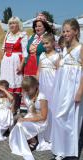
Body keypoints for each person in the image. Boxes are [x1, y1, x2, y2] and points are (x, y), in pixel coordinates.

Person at [51, 18, 83, 160]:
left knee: (71, 119)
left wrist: (80, 91)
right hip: (63, 88)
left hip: (73, 88)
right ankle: (62, 149)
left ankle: (70, 151)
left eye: (68, 30)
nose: (65, 33)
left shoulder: (80, 48)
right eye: (63, 31)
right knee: (59, 117)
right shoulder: (65, 48)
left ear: (75, 31)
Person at [9, 76, 48, 160]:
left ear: (35, 87)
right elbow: (29, 110)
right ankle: (29, 139)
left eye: (27, 89)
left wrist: (26, 119)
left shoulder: (42, 97)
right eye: (24, 89)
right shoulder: (26, 94)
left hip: (40, 121)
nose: (26, 92)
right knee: (18, 124)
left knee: (21, 125)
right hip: (30, 117)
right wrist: (24, 118)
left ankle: (33, 141)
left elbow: (44, 117)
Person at [0, 16, 28, 114]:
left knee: (15, 89)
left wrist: (21, 65)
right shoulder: (7, 34)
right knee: (6, 86)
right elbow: (3, 49)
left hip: (16, 62)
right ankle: (6, 108)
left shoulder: (22, 35)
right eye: (10, 23)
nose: (12, 25)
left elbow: (25, 52)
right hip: (6, 63)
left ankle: (14, 110)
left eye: (14, 23)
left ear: (18, 25)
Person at [37, 33, 60, 142]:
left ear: (53, 43)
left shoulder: (57, 56)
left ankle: (53, 134)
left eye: (47, 43)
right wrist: (36, 83)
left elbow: (59, 72)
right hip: (42, 84)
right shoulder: (41, 55)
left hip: (52, 84)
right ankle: (44, 132)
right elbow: (38, 70)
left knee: (52, 107)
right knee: (43, 106)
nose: (45, 45)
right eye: (43, 43)